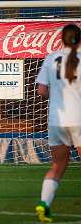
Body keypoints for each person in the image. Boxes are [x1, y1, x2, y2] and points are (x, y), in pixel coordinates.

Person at [35, 24, 81, 223]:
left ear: (61, 39)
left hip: (56, 120)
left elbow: (41, 91)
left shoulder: (50, 58)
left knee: (58, 165)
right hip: (78, 119)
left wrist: (57, 99)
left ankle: (44, 204)